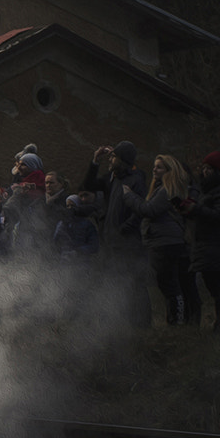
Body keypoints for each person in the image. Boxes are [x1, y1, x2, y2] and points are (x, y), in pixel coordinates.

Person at [84, 140, 151, 328]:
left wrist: (124, 229)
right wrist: (95, 161)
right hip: (110, 242)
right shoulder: (113, 179)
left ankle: (142, 326)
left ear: (122, 159)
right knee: (113, 283)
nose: (110, 159)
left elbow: (140, 210)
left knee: (135, 285)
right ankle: (119, 323)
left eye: (113, 157)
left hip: (127, 243)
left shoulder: (136, 179)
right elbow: (89, 184)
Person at [141, 155, 194, 326]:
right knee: (166, 282)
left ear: (169, 171)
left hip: (168, 242)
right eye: (155, 166)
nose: (154, 170)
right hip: (163, 241)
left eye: (159, 167)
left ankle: (176, 321)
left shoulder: (167, 190)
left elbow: (151, 210)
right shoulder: (161, 189)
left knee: (169, 283)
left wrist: (130, 198)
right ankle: (176, 320)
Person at [186, 151, 220, 334]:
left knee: (219, 290)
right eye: (203, 168)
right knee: (215, 289)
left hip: (217, 247)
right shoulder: (208, 190)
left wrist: (196, 209)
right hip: (207, 247)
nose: (204, 172)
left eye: (208, 169)